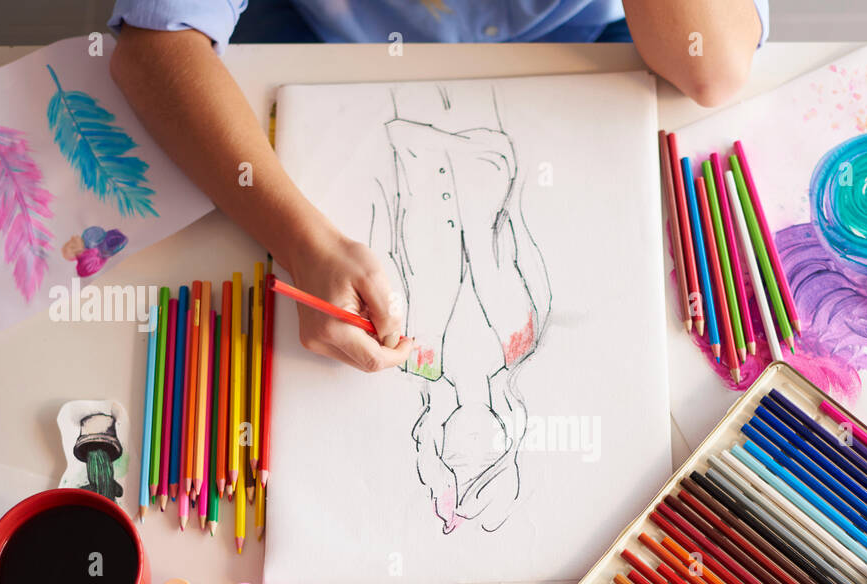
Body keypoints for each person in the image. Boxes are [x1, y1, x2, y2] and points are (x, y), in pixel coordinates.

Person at [108, 0, 768, 373]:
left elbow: (712, 70)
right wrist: (303, 242)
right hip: (325, 38)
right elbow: (152, 46)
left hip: (597, 40)